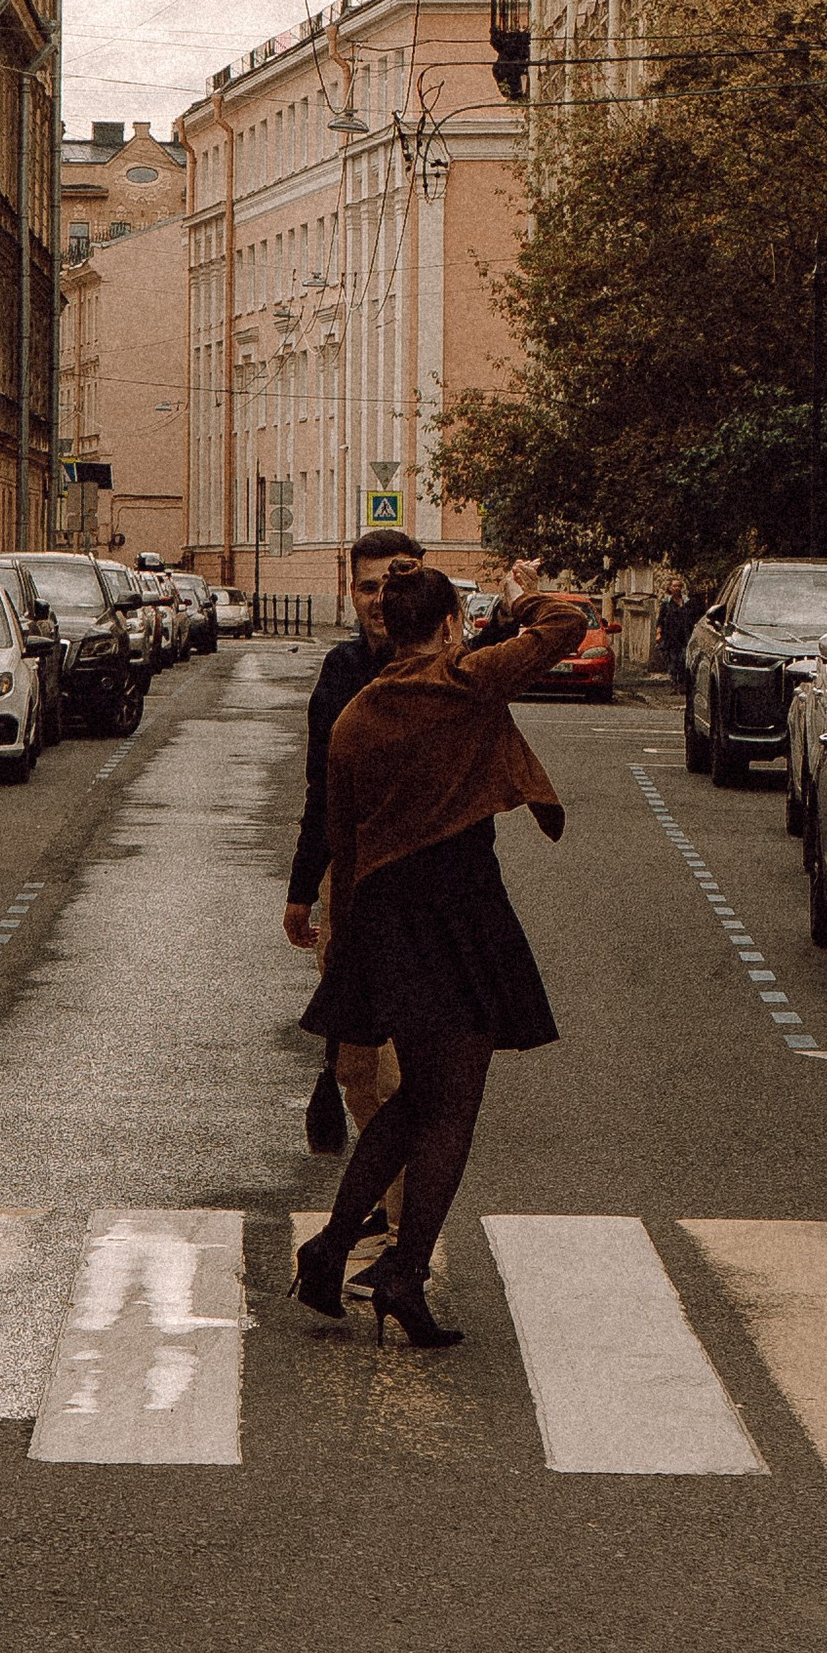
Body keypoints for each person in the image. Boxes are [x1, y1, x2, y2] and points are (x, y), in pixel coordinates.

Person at [295, 560, 590, 1349]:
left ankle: (329, 1252)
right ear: (453, 622)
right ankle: (401, 1274)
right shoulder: (469, 681)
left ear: (388, 623)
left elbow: (345, 845)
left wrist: (341, 954)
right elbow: (565, 626)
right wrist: (520, 589)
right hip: (461, 909)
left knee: (419, 1099)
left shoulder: (356, 717)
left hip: (387, 920)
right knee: (450, 1107)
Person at [284, 528, 427, 1220]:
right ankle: (387, 1187)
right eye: (367, 586)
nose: (379, 600)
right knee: (356, 1072)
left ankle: (405, 1239)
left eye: (394, 585)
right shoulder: (341, 673)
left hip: (424, 898)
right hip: (350, 890)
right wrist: (302, 889)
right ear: (351, 592)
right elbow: (323, 789)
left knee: (403, 1072)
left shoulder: (447, 668)